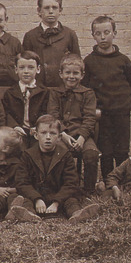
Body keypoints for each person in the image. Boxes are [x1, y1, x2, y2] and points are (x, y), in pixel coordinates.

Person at [10, 114, 100, 223]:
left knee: (71, 201)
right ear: (36, 135)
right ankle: (29, 214)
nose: (48, 137)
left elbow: (71, 183)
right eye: (43, 133)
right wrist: (37, 199)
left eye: (52, 133)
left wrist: (56, 202)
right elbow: (22, 183)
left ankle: (77, 214)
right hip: (36, 196)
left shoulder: (65, 155)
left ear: (59, 137)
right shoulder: (28, 155)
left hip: (59, 196)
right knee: (26, 200)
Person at [83, 15, 131, 190]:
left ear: (114, 33)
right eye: (98, 33)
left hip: (121, 114)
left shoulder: (123, 60)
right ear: (93, 35)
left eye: (106, 32)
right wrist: (95, 110)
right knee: (106, 152)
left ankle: (122, 185)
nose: (102, 37)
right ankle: (109, 185)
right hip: (102, 116)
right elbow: (85, 90)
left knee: (121, 150)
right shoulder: (89, 61)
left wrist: (126, 105)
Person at [46, 53, 100, 194]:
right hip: (61, 135)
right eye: (67, 72)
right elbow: (53, 115)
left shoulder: (88, 94)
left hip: (83, 135)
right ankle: (60, 190)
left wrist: (82, 138)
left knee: (91, 154)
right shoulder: (55, 93)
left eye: (76, 73)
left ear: (82, 75)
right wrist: (63, 134)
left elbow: (89, 118)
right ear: (61, 74)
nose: (71, 76)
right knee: (57, 152)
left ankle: (88, 192)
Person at [21, 0, 81, 88]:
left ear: (60, 10)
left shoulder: (69, 34)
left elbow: (77, 63)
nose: (51, 11)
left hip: (62, 87)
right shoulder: (30, 36)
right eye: (46, 8)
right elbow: (25, 64)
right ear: (39, 10)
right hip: (38, 88)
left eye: (54, 7)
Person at [2, 50, 49, 147]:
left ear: (38, 69)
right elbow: (6, 113)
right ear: (16, 70)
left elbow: (45, 112)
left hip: (37, 131)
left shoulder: (44, 92)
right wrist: (15, 126)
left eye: (31, 67)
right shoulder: (10, 93)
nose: (26, 71)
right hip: (18, 131)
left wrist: (38, 127)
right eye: (22, 68)